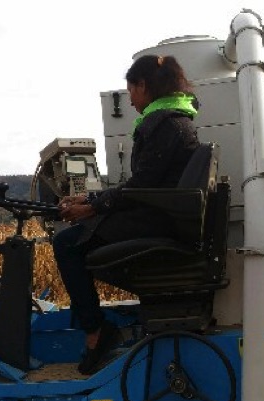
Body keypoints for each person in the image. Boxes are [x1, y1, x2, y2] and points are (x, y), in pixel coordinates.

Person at [53, 54, 200, 374]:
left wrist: (93, 206)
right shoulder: (177, 120)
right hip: (160, 215)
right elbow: (143, 183)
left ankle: (95, 332)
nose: (130, 99)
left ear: (143, 86)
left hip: (157, 221)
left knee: (66, 244)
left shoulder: (164, 125)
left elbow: (143, 184)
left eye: (131, 90)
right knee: (77, 236)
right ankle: (95, 327)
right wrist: (92, 198)